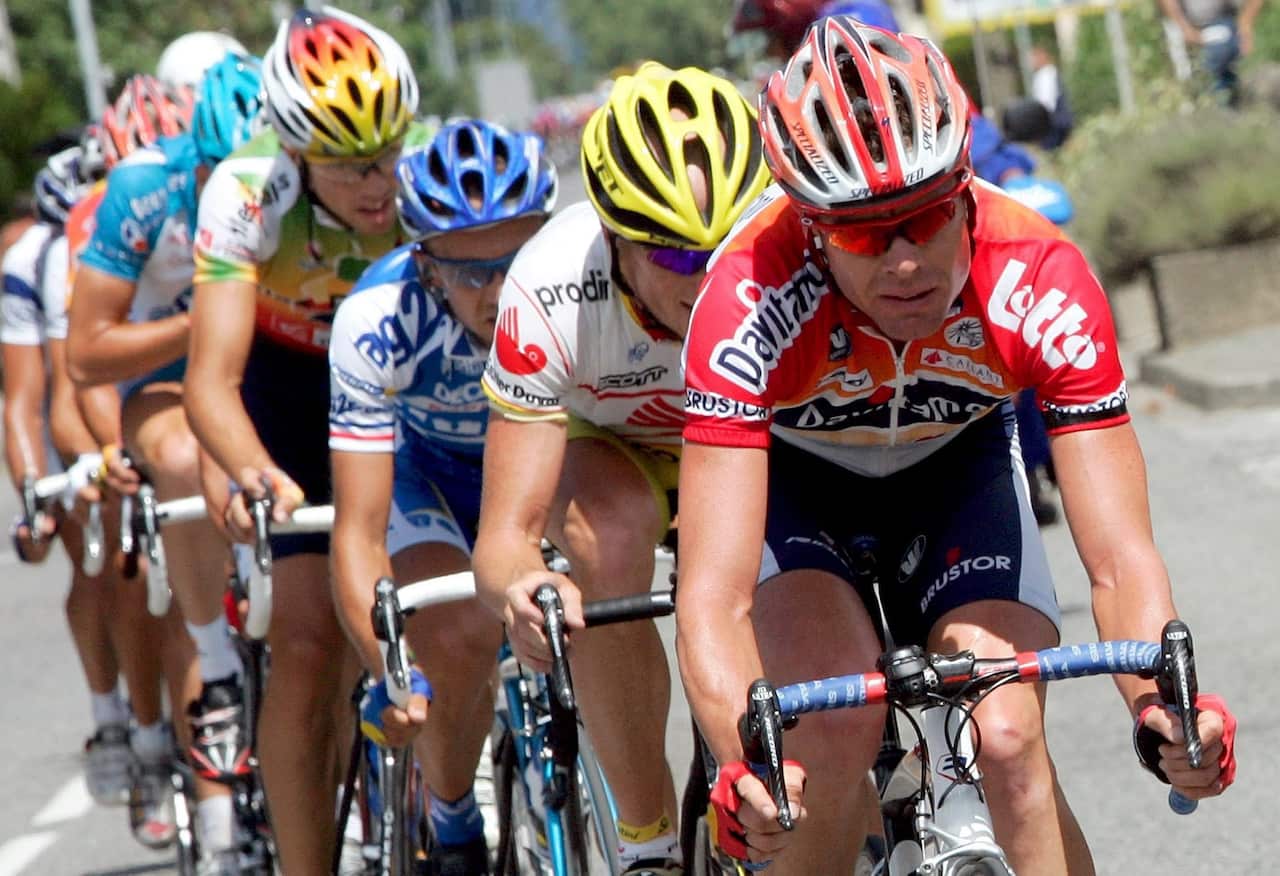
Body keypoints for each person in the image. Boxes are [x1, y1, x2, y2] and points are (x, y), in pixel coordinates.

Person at [676, 17, 1237, 875]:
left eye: (930, 216)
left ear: (968, 184)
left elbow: (1121, 561)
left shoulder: (1041, 277)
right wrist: (747, 770)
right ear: (814, 230)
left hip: (958, 475)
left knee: (1008, 737)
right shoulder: (747, 295)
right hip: (801, 492)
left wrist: (1169, 711)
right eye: (865, 234)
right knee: (824, 741)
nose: (905, 260)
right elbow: (714, 601)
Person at [472, 60, 771, 876]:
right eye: (676, 260)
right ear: (613, 238)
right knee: (607, 537)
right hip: (622, 454)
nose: (710, 276)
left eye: (727, 246)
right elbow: (503, 541)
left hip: (751, 447)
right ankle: (649, 841)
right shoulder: (547, 290)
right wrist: (527, 591)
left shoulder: (787, 251)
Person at [183, 7, 426, 872]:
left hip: (399, 379)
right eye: (352, 166)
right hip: (288, 392)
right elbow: (209, 379)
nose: (379, 184)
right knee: (309, 641)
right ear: (295, 153)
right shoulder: (246, 189)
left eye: (389, 154)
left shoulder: (427, 171)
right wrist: (252, 471)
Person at [329, 118, 558, 871]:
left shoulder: (583, 285)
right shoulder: (375, 319)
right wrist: (391, 669)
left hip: (542, 462)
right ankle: (452, 817)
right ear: (427, 270)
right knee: (458, 632)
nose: (500, 292)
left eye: (518, 259)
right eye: (470, 274)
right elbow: (359, 535)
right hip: (425, 477)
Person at [65, 52, 266, 873]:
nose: (235, 195)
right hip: (167, 380)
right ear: (196, 155)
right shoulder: (142, 191)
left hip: (274, 370)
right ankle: (213, 667)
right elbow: (81, 357)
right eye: (217, 173)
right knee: (182, 456)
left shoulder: (301, 187)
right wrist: (207, 322)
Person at [2, 144, 164, 819]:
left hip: (143, 394)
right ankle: (116, 720)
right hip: (69, 405)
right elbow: (26, 397)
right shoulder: (34, 261)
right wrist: (36, 490)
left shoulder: (162, 232)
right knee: (103, 567)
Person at [1158, 0, 1265, 105]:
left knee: (1221, 53)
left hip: (1221, 23)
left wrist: (1246, 24)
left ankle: (1220, 101)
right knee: (1187, 73)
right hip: (1181, 24)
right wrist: (1185, 29)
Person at [1029, 43, 1073, 149]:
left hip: (1053, 123)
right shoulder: (1049, 73)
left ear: (1041, 57)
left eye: (1033, 58)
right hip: (1057, 121)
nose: (1031, 62)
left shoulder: (1046, 75)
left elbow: (1047, 103)